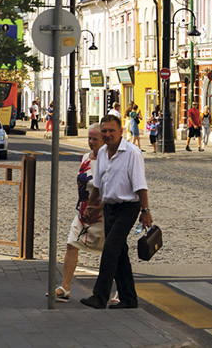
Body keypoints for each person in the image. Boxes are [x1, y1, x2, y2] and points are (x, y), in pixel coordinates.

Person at [80, 114, 152, 310]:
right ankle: (129, 299)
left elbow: (141, 186)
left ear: (121, 131)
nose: (108, 134)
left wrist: (145, 211)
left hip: (128, 208)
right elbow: (98, 184)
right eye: (104, 131)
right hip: (109, 208)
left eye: (112, 130)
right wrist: (91, 206)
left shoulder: (132, 153)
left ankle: (99, 296)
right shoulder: (103, 152)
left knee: (110, 249)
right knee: (120, 254)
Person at [55, 126, 118, 304]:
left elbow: (113, 188)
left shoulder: (110, 160)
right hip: (83, 211)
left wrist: (97, 206)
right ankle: (65, 287)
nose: (90, 142)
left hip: (102, 214)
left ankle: (120, 290)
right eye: (89, 138)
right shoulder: (85, 158)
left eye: (94, 139)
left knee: (113, 252)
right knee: (71, 244)